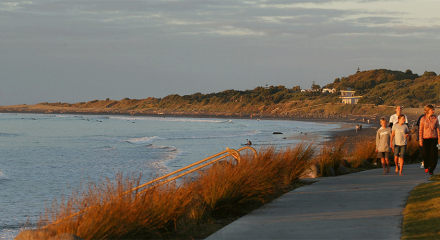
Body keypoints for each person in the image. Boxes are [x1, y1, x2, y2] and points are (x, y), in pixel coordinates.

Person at [419, 105, 440, 175]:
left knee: (434, 155)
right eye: (432, 110)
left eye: (433, 110)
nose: (433, 111)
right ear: (427, 111)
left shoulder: (435, 119)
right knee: (426, 154)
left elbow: (438, 130)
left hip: (434, 139)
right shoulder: (423, 119)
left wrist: (439, 139)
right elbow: (420, 130)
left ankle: (431, 169)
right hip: (426, 139)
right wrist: (420, 140)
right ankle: (426, 166)